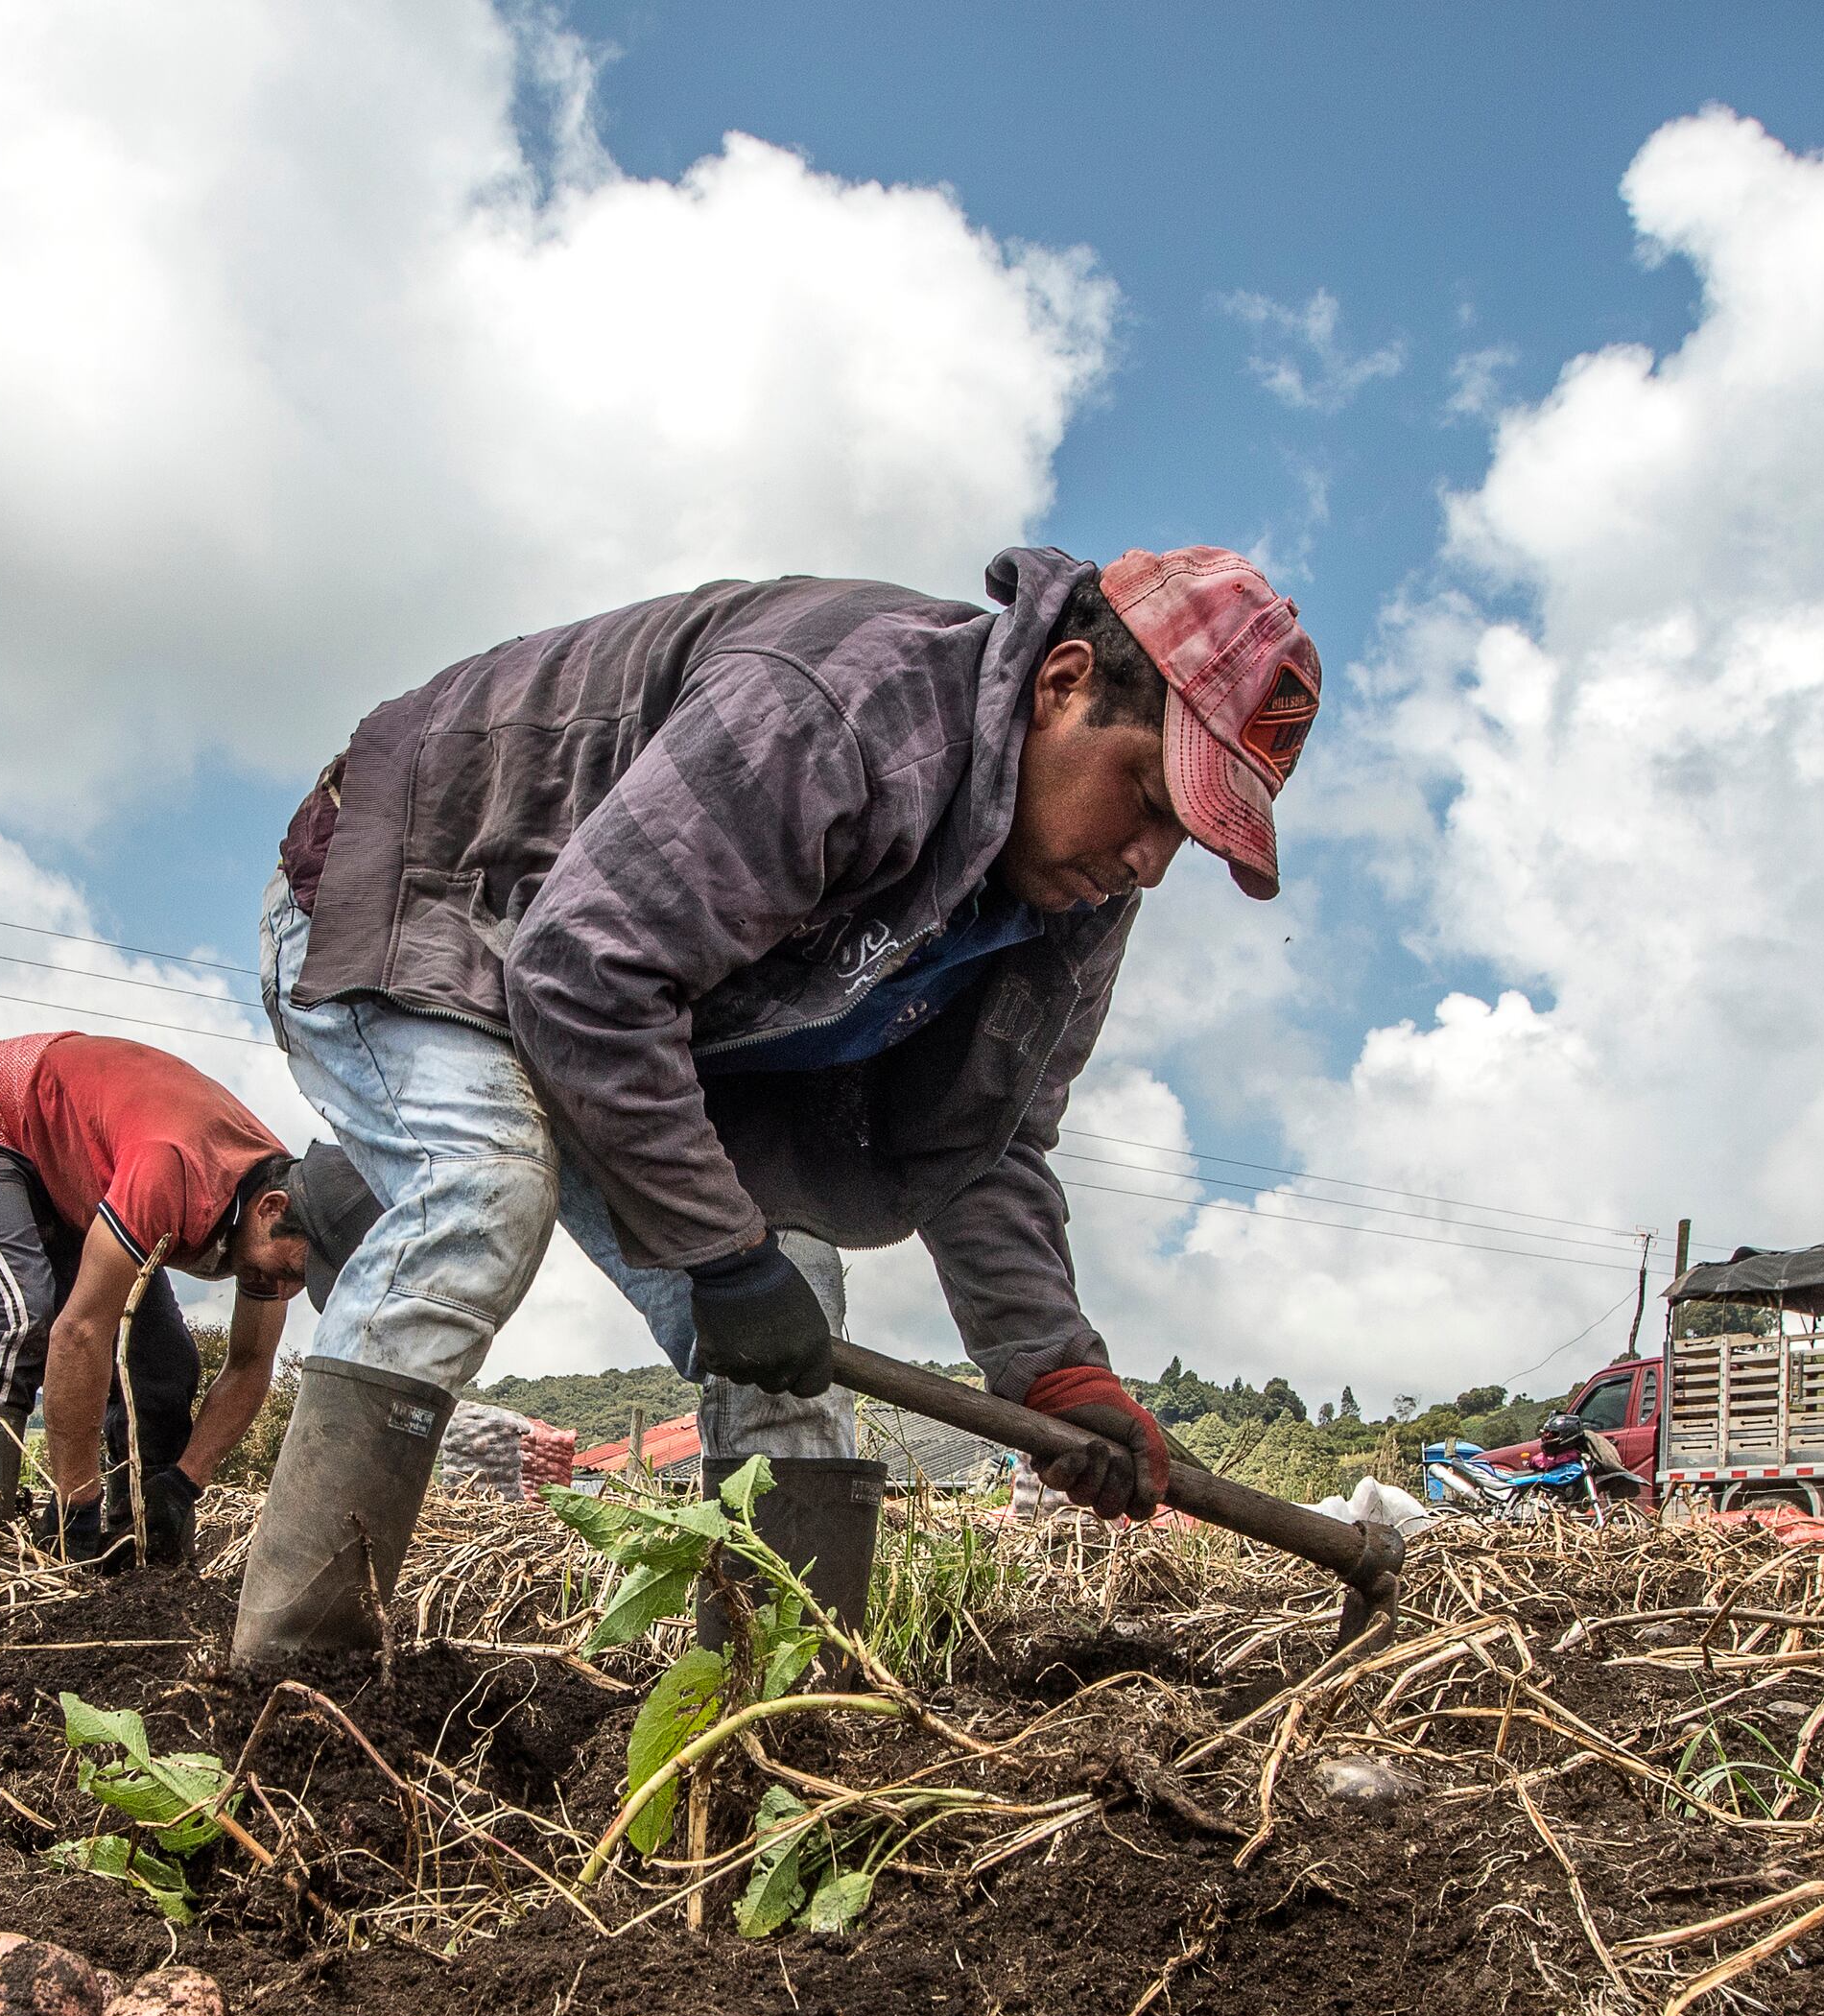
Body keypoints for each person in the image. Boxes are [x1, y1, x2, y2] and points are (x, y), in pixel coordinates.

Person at [235, 542, 1318, 1670]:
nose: (1147, 861)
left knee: (794, 1298)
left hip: (644, 1005)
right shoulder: (844, 717)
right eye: (1146, 797)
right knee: (482, 1190)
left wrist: (1052, 1367)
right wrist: (715, 1250)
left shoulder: (1078, 900)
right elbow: (579, 971)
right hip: (436, 893)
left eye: (1180, 838)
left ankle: (771, 1717)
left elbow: (983, 1140)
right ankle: (292, 1684)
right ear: (1064, 684)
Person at [0, 1030, 321, 1564]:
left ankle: (141, 1547)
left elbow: (248, 1364)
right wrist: (76, 1495)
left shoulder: (286, 1213)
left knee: (164, 1364)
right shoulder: (171, 1169)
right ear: (271, 1209)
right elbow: (79, 1333)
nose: (282, 1290)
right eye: (290, 1270)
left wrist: (184, 1481)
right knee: (20, 1315)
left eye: (302, 1282)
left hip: (82, 1176)